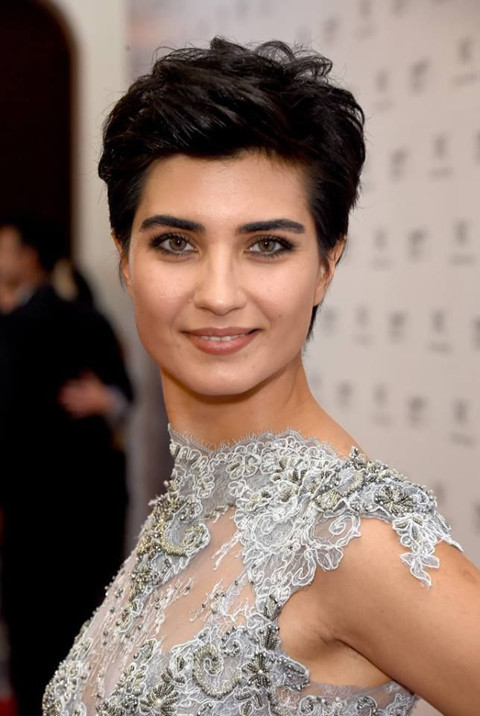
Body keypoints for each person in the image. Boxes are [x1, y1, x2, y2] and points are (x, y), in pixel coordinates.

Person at [43, 38, 480, 715]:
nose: (219, 294)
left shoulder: (353, 538)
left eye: (267, 245)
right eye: (175, 243)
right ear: (125, 259)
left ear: (325, 267)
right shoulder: (194, 494)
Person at [0, 215, 134, 715]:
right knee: (85, 622)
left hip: (35, 504)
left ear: (29, 256)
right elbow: (125, 394)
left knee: (34, 627)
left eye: (6, 248)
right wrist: (108, 400)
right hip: (90, 501)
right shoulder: (87, 317)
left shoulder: (18, 326)